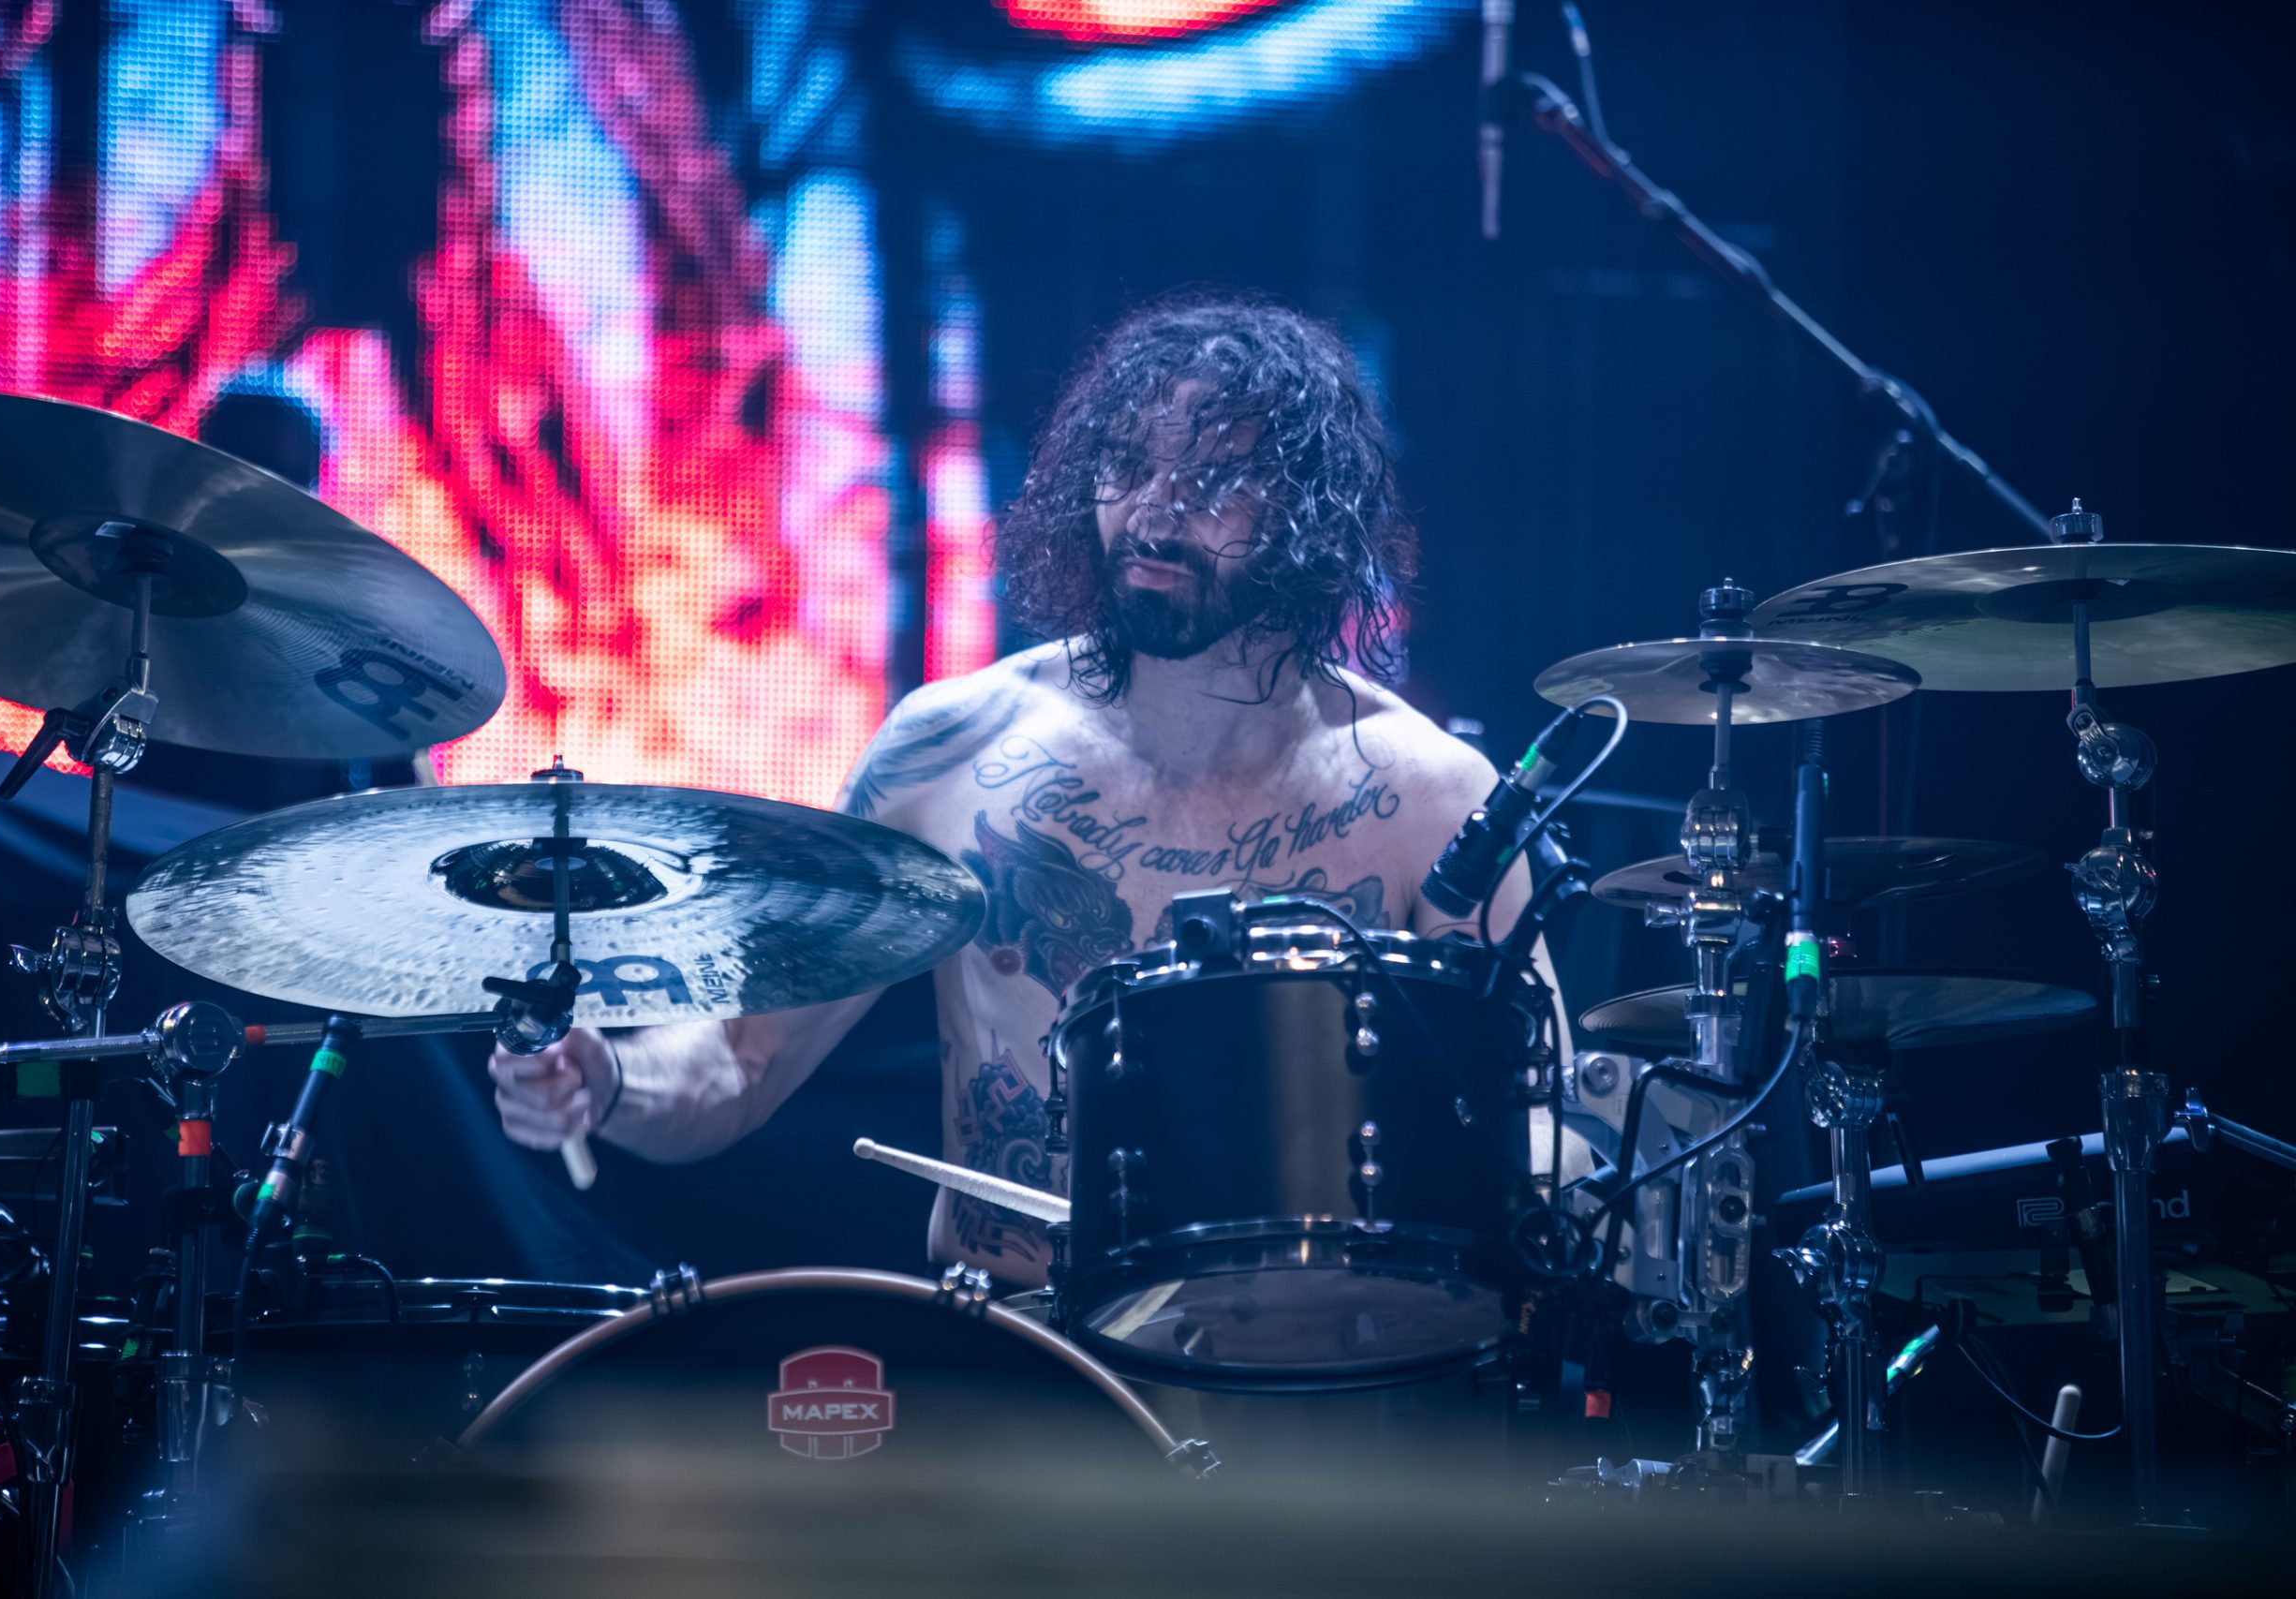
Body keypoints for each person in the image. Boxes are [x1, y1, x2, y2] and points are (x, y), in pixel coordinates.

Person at [490, 296, 1552, 1286]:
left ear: (1307, 515)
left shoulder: (1430, 797)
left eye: (1212, 479)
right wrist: (608, 1083)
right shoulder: (945, 751)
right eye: (1128, 466)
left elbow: (1544, 1122)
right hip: (1012, 1353)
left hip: (1316, 1367)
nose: (1154, 514)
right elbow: (740, 1062)